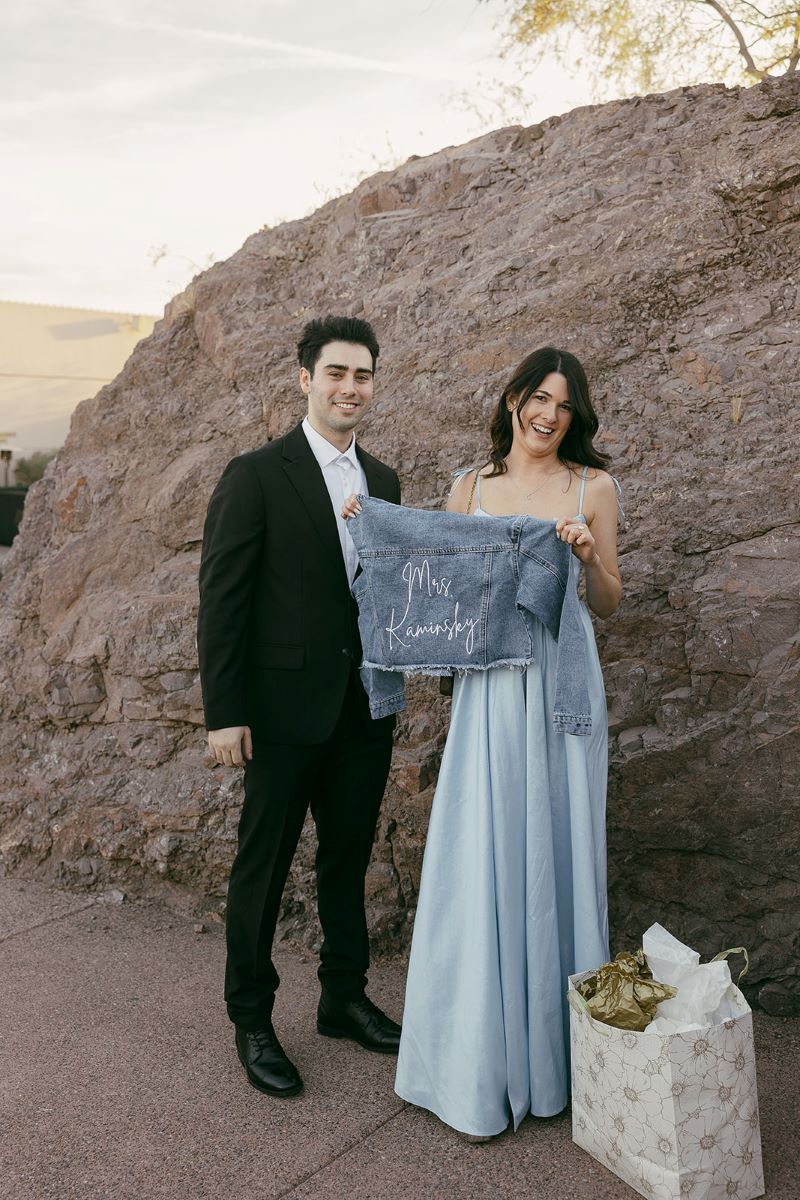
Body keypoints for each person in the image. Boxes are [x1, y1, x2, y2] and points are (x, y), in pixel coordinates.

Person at [392, 346, 622, 1138]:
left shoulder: (594, 489)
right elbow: (437, 583)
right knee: (486, 849)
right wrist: (374, 531)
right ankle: (477, 1061)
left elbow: (611, 602)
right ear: (514, 400)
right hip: (493, 691)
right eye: (537, 396)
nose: (549, 413)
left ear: (574, 416)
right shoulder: (471, 489)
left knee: (561, 849)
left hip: (562, 685)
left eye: (564, 403)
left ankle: (562, 1065)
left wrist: (589, 558)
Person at [197, 315, 402, 1100]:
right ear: (305, 379)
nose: (351, 388)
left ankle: (342, 998)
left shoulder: (383, 481)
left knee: (346, 861)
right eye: (337, 374)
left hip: (364, 709)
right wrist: (225, 712)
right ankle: (251, 1018)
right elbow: (222, 600)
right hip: (280, 714)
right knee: (264, 866)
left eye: (364, 376)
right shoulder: (255, 475)